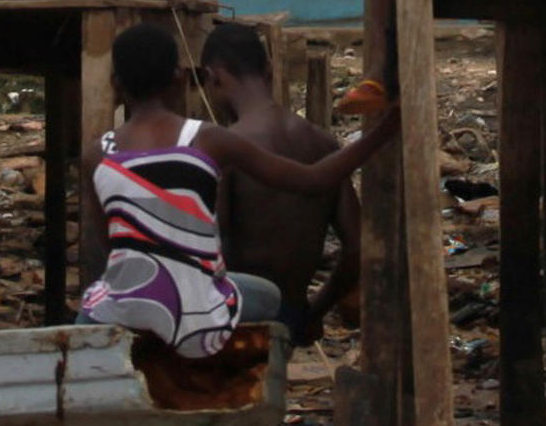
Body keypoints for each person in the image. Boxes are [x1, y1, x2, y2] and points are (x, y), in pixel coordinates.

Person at [81, 22, 398, 358]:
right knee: (267, 296)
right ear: (179, 78)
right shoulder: (210, 140)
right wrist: (384, 130)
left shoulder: (95, 154)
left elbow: (108, 246)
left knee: (88, 327)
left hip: (132, 305)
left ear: (115, 84)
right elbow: (315, 180)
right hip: (226, 313)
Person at [191, 23, 361, 344]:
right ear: (269, 72)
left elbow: (209, 246)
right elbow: (357, 246)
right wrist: (315, 311)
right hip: (293, 313)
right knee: (272, 392)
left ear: (213, 77)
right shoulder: (322, 144)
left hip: (236, 315)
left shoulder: (227, 148)